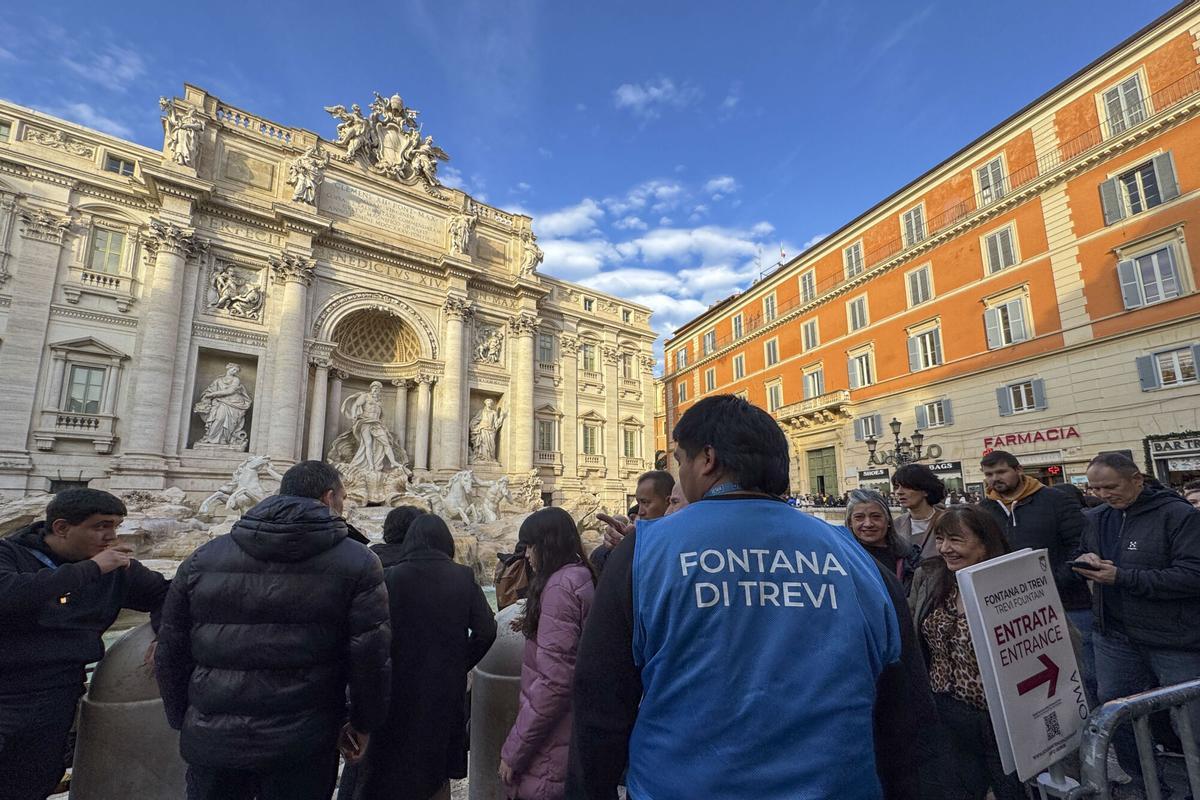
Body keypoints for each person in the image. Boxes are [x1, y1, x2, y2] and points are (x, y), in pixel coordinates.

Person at [569, 395, 911, 799]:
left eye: (681, 460)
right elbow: (905, 711)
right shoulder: (858, 559)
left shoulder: (645, 551)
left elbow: (600, 704)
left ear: (707, 459)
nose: (679, 474)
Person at [155, 460, 392, 800]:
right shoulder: (358, 560)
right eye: (343, 498)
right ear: (328, 499)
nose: (344, 506)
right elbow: (370, 655)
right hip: (304, 739)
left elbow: (171, 648)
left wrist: (186, 719)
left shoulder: (202, 557)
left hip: (213, 739)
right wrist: (363, 723)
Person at [0, 489, 169, 800]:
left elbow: (169, 595)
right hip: (7, 688)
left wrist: (165, 635)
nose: (111, 536)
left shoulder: (115, 569)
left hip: (58, 693)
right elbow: (8, 595)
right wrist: (91, 569)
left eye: (116, 525)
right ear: (62, 527)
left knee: (33, 780)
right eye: (101, 526)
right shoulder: (10, 553)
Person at [1073, 452, 1200, 791]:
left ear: (1137, 480)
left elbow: (1192, 575)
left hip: (1172, 639)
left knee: (1192, 720)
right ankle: (1148, 785)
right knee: (1116, 715)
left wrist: (1123, 577)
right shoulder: (1097, 517)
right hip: (1114, 635)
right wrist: (1086, 559)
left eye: (1110, 487)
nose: (1102, 494)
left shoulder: (1178, 515)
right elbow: (1087, 553)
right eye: (1094, 488)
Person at [353, 515, 497, 800]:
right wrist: (460, 662)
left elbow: (375, 636)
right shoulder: (463, 576)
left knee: (397, 761)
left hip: (400, 686)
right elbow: (486, 630)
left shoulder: (392, 577)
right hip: (445, 688)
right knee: (437, 767)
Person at [913, 506, 1024, 800]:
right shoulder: (932, 577)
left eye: (956, 540)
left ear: (985, 542)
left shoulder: (1015, 581)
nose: (945, 549)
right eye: (940, 539)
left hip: (1001, 716)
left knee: (1011, 789)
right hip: (946, 709)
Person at [979, 451, 1093, 704]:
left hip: (1069, 601)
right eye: (989, 474)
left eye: (1000, 472)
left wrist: (1056, 579)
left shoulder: (1054, 500)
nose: (994, 479)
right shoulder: (985, 508)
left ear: (1018, 470)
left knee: (1086, 675)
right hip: (1017, 611)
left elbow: (1082, 543)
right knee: (1043, 678)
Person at [500, 507, 596, 800]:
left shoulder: (559, 587)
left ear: (547, 545)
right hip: (570, 733)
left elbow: (554, 682)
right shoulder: (581, 576)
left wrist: (514, 750)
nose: (527, 555)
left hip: (551, 744)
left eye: (530, 546)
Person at [845, 488, 921, 593]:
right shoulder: (840, 559)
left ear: (888, 520)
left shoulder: (910, 558)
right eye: (859, 517)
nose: (868, 524)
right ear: (850, 523)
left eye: (876, 517)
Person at [892, 464, 947, 559]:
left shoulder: (949, 520)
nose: (899, 492)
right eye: (897, 487)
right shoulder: (896, 525)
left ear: (925, 491)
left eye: (907, 487)